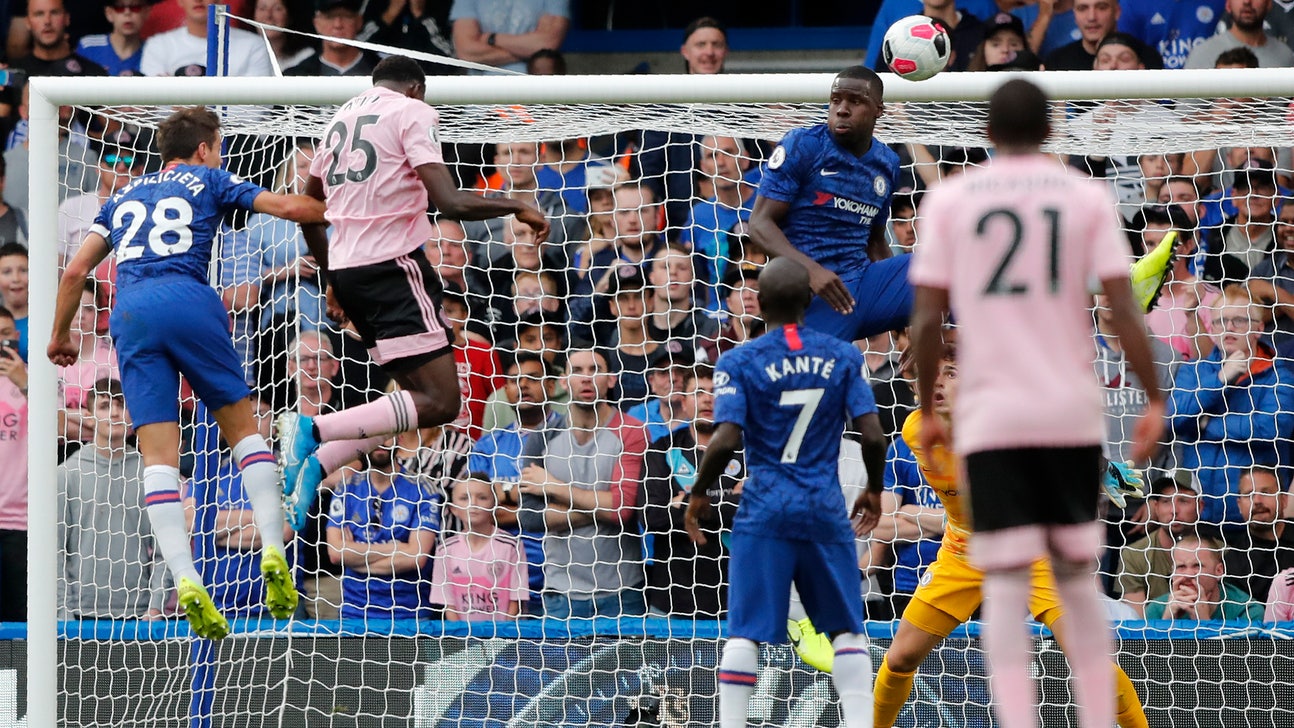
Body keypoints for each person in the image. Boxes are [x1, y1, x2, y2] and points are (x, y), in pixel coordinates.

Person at [908, 78, 1166, 728]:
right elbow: (1121, 308)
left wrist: (930, 404)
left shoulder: (952, 200)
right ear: (1051, 132)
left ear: (987, 136)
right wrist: (1153, 396)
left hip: (995, 415)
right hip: (1067, 411)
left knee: (1003, 584)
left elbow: (926, 319)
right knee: (1077, 578)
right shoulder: (1083, 196)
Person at [47, 106, 323, 640]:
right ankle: (272, 548)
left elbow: (77, 270)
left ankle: (183, 575)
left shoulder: (123, 195)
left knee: (157, 458)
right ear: (203, 148)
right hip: (190, 299)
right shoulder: (210, 177)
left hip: (130, 311)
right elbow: (291, 207)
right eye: (217, 146)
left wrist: (59, 336)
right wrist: (335, 205)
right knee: (244, 432)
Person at [278, 55, 550, 532]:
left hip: (351, 271)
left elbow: (310, 207)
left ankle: (319, 466)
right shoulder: (411, 111)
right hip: (393, 269)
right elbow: (450, 202)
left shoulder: (339, 119)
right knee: (444, 402)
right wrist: (520, 204)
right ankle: (312, 429)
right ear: (417, 88)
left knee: (411, 396)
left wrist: (331, 276)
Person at [866, 349, 1150, 728]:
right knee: (900, 658)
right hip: (963, 553)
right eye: (931, 374)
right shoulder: (915, 430)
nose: (937, 381)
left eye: (951, 373)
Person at [684, 257, 886, 728]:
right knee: (846, 629)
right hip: (823, 505)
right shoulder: (843, 356)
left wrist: (699, 493)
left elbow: (726, 439)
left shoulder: (738, 360)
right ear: (809, 299)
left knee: (745, 633)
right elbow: (873, 435)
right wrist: (874, 489)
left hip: (764, 507)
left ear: (759, 302)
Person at [748, 66, 909, 345]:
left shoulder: (887, 163)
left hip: (863, 284)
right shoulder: (804, 145)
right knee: (811, 379)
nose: (842, 109)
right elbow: (759, 224)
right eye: (836, 100)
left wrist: (908, 317)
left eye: (855, 101)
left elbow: (874, 241)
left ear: (878, 110)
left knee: (945, 266)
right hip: (812, 297)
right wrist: (811, 272)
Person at [514, 347, 649, 619]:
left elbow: (623, 509)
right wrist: (602, 504)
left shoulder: (632, 431)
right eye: (577, 371)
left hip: (622, 590)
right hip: (561, 592)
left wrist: (553, 487)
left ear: (611, 379)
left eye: (595, 370)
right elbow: (529, 517)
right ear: (564, 381)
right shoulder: (542, 437)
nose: (586, 378)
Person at [1168, 287, 1294, 526]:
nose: (1229, 327)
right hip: (1198, 513)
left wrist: (1205, 423)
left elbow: (1271, 428)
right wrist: (1219, 381)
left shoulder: (1281, 376)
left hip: (1254, 518)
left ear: (1259, 328)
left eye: (1239, 320)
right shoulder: (1194, 370)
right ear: (1213, 329)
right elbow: (1172, 418)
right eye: (1221, 321)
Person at [58, 377, 169, 620]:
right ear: (89, 414)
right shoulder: (68, 473)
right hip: (80, 615)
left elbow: (165, 549)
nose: (115, 413)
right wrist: (63, 612)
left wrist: (155, 606)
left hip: (138, 616)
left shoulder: (148, 472)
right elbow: (55, 552)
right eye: (105, 406)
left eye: (121, 405)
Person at [326, 439, 441, 622]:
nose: (380, 442)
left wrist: (355, 554)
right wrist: (397, 547)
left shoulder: (423, 490)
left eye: (386, 435)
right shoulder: (346, 488)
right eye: (374, 435)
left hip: (410, 614)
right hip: (355, 612)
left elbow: (416, 558)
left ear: (400, 438)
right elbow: (336, 554)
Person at [430, 476, 528, 620]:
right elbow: (449, 607)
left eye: (482, 497)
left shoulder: (512, 546)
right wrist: (462, 639)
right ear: (453, 508)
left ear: (495, 505)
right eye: (464, 498)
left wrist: (499, 640)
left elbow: (516, 603)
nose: (473, 504)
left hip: (504, 637)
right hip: (463, 639)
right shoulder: (445, 550)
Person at [1117, 475, 1203, 616]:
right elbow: (1137, 623)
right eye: (1166, 501)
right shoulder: (1133, 554)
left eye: (1183, 501)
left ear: (1200, 506)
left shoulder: (1219, 551)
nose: (1174, 510)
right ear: (1156, 507)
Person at [1218, 465, 1294, 604]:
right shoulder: (1232, 563)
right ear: (1239, 506)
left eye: (1266, 492)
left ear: (1284, 500)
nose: (1257, 501)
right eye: (1249, 495)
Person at [1143, 535, 1264, 621]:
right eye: (1181, 567)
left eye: (1197, 566)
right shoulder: (1156, 609)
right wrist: (1166, 621)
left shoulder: (1248, 611)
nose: (1188, 574)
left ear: (1218, 571)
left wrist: (1203, 622)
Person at [140, 0, 274, 77]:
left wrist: (188, 105)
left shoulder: (253, 45)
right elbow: (149, 108)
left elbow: (257, 110)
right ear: (179, 1)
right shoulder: (157, 45)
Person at [449, 0, 570, 75]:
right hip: (482, 104)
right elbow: (466, 51)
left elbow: (548, 42)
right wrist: (529, 48)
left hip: (536, 103)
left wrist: (492, 38)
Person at [0, 306, 27, 622]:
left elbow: (58, 428)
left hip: (23, 523)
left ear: (17, 337)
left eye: (6, 335)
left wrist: (24, 383)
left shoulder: (34, 379)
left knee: (21, 624)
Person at [286, 0, 383, 77]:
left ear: (359, 21)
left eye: (346, 16)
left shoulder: (386, 73)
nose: (338, 25)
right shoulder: (295, 77)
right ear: (317, 23)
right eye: (330, 17)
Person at [1185, 0, 1294, 68]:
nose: (1247, 1)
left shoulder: (1286, 56)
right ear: (1228, 4)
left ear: (1269, 4)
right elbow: (1186, 105)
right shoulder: (1202, 54)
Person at [74, 0, 150, 76]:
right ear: (109, 13)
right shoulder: (88, 47)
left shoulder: (153, 52)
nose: (127, 13)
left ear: (146, 12)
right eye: (119, 7)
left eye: (135, 7)